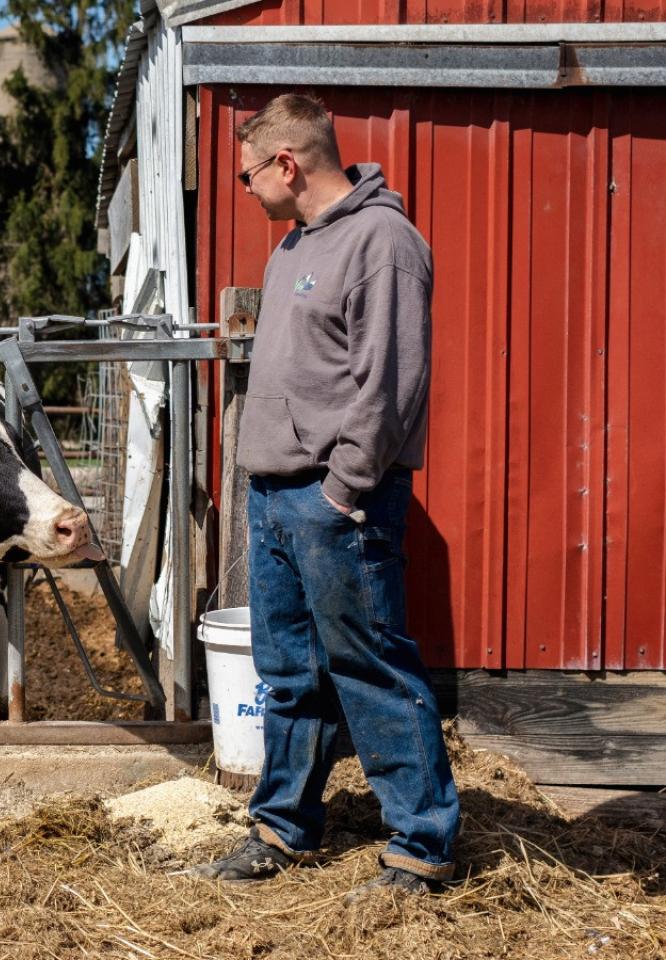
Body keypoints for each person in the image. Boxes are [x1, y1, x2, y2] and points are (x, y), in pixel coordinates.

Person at [193, 93, 459, 896]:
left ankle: (421, 845)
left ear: (287, 163)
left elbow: (394, 386)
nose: (246, 190)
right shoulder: (293, 248)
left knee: (371, 668)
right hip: (276, 499)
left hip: (334, 500)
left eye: (248, 175)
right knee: (290, 673)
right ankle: (284, 827)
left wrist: (343, 491)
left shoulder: (383, 243)